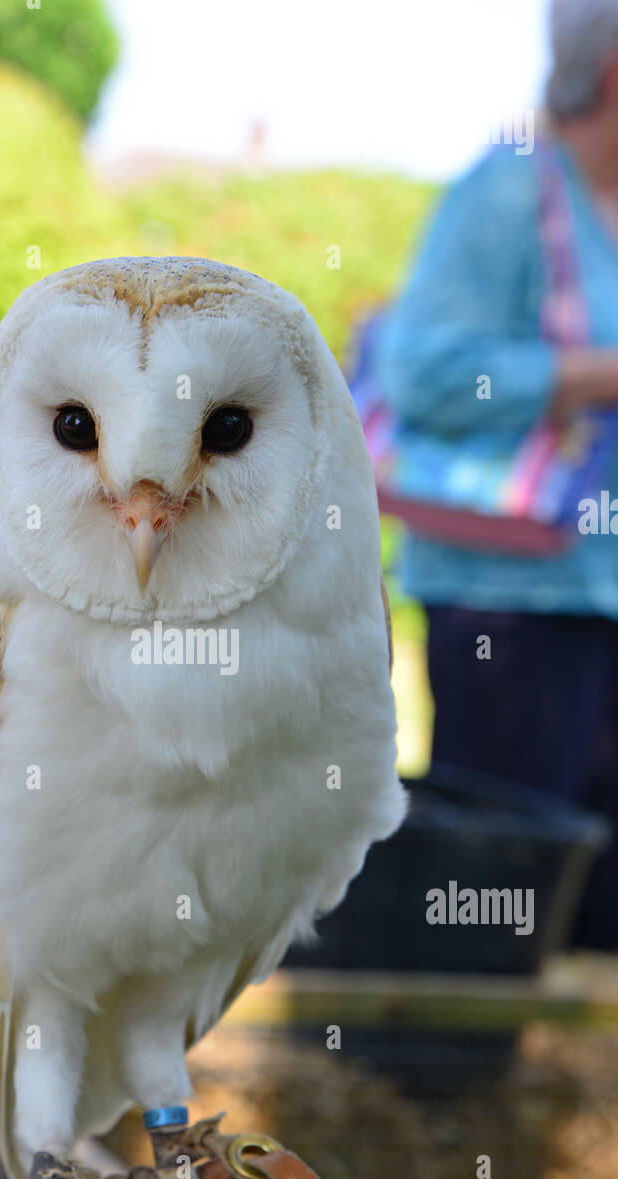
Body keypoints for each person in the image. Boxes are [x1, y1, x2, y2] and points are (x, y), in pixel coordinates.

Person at [378, 0, 618, 950]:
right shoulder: (508, 191)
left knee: (600, 907)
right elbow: (423, 370)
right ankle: (450, 1086)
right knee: (500, 894)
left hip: (602, 596)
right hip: (512, 608)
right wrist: (594, 376)